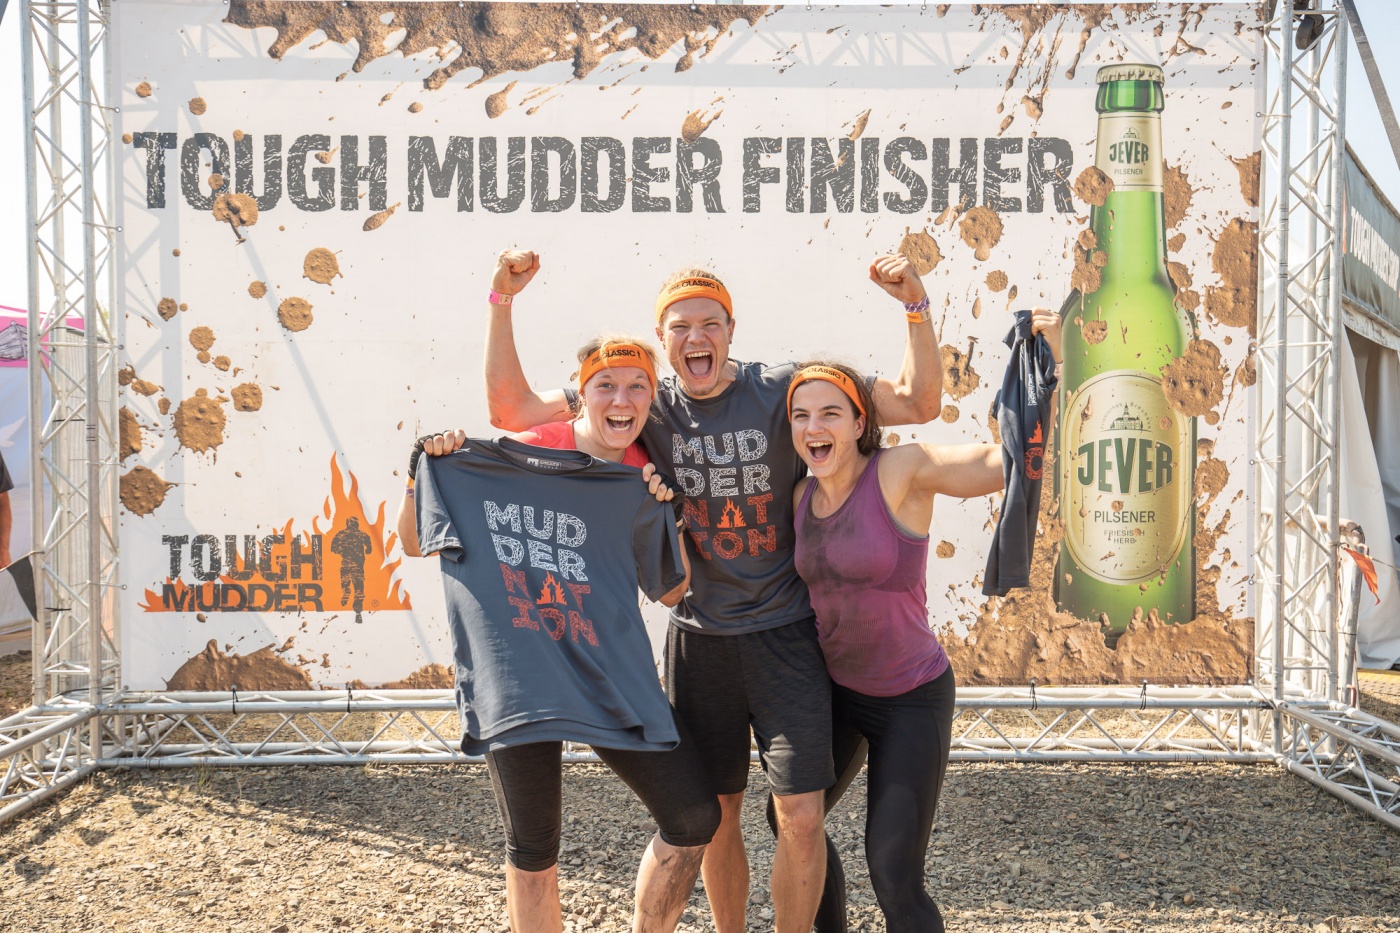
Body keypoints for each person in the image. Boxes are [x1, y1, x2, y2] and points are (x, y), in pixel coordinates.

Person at [481, 249, 942, 932]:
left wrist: (915, 306)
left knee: (801, 814)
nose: (695, 337)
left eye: (709, 323)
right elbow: (510, 407)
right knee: (719, 813)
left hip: (787, 635)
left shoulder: (782, 388)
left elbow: (920, 402)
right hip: (701, 643)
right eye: (680, 326)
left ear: (730, 329)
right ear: (662, 338)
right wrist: (502, 300)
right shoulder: (644, 398)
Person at [396, 336, 715, 933]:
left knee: (694, 816)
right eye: (605, 386)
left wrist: (666, 517)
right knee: (534, 849)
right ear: (581, 394)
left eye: (637, 387)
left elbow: (673, 593)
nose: (621, 399)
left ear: (650, 398)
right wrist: (424, 470)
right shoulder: (514, 453)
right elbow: (415, 543)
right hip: (520, 673)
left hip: (606, 671)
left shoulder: (640, 475)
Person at [784, 308, 1061, 932]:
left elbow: (1004, 463)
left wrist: (1050, 374)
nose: (813, 427)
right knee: (794, 825)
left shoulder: (900, 471)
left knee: (892, 871)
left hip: (910, 698)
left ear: (861, 422)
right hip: (835, 695)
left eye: (830, 413)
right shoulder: (800, 496)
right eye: (800, 415)